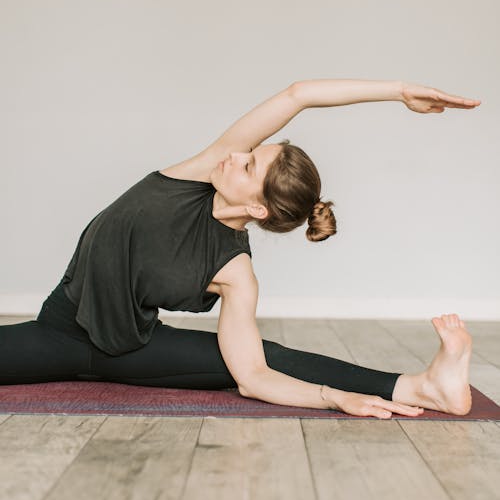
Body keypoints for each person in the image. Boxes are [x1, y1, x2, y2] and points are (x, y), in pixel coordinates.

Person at [0, 78, 481, 419]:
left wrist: (332, 397)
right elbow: (300, 94)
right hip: (57, 334)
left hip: (137, 351)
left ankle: (422, 387)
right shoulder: (196, 175)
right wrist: (398, 91)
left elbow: (253, 376)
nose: (234, 154)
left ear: (257, 209)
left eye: (248, 164)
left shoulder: (236, 272)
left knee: (264, 354)